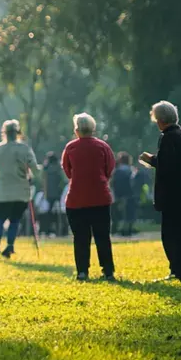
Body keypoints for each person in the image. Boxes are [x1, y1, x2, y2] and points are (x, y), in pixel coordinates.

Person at [139, 100, 181, 284]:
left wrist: (150, 159)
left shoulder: (167, 137)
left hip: (172, 198)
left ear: (161, 120)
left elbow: (165, 165)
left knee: (171, 236)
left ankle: (177, 270)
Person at [61, 113, 116, 281]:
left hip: (76, 199)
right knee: (102, 236)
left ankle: (82, 271)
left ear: (76, 130)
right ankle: (107, 271)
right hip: (100, 197)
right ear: (93, 129)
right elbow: (109, 168)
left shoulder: (70, 148)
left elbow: (67, 170)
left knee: (80, 237)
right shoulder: (103, 146)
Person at [0, 119, 38, 259]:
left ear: (4, 133)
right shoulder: (25, 148)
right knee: (15, 220)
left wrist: (1, 173)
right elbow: (34, 168)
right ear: (18, 133)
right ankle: (9, 246)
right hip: (21, 191)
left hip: (3, 190)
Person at [42, 151, 67, 236]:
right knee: (60, 213)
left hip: (49, 194)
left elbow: (44, 181)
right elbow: (63, 180)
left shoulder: (46, 168)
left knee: (49, 212)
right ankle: (63, 230)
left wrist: (45, 193)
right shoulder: (59, 168)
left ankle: (47, 230)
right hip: (58, 193)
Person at [111, 152, 135, 236]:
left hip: (119, 195)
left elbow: (115, 184)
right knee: (128, 214)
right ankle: (127, 230)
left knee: (118, 214)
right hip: (130, 195)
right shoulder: (131, 170)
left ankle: (118, 231)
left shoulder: (118, 171)